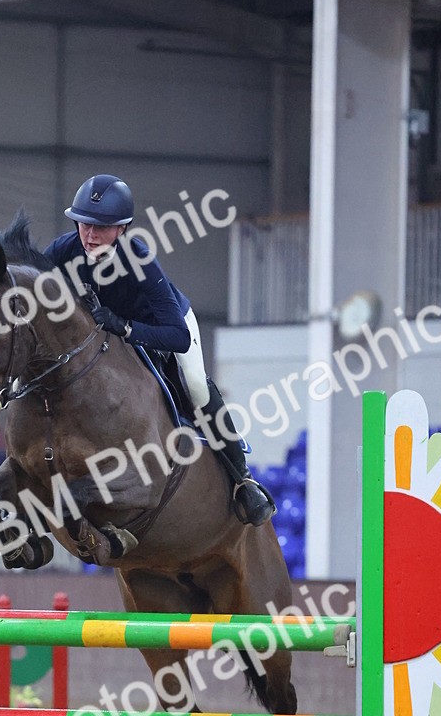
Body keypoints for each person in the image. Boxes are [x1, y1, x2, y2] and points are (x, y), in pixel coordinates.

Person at [43, 174, 276, 527]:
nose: (89, 235)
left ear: (121, 229)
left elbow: (177, 337)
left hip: (161, 328)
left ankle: (243, 480)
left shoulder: (140, 261)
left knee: (195, 383)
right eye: (84, 224)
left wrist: (124, 326)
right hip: (107, 338)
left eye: (101, 227)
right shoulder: (63, 250)